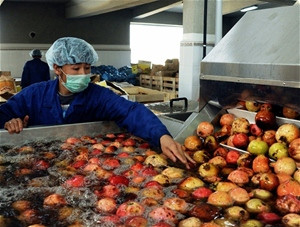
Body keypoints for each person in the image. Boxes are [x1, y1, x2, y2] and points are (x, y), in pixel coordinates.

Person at [0, 37, 194, 169]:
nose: (83, 74)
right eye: (75, 69)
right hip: (44, 163)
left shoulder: (98, 96)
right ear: (57, 69)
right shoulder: (34, 95)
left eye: (87, 68)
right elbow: (4, 114)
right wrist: (11, 122)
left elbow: (130, 111)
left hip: (87, 162)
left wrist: (161, 136)